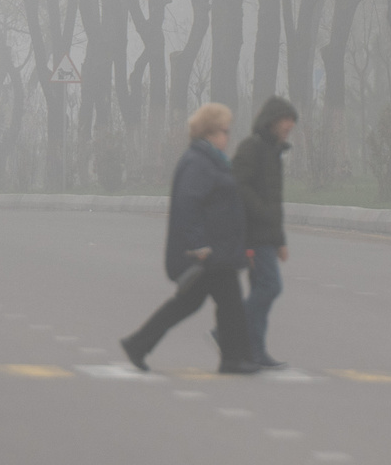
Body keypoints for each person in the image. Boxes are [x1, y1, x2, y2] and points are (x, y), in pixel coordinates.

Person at [121, 103, 259, 375]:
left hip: (217, 249)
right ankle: (234, 359)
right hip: (208, 252)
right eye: (224, 131)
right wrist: (198, 245)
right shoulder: (199, 163)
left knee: (196, 303)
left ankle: (138, 344)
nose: (228, 136)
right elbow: (188, 205)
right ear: (210, 132)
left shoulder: (210, 161)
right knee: (227, 303)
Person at [232, 97, 298, 369]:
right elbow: (237, 186)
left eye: (292, 122)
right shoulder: (252, 148)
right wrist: (261, 211)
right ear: (272, 121)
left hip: (266, 237)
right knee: (270, 287)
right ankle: (228, 332)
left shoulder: (273, 152)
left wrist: (280, 240)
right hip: (251, 235)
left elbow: (274, 202)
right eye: (286, 120)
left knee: (263, 289)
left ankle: (256, 352)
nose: (290, 126)